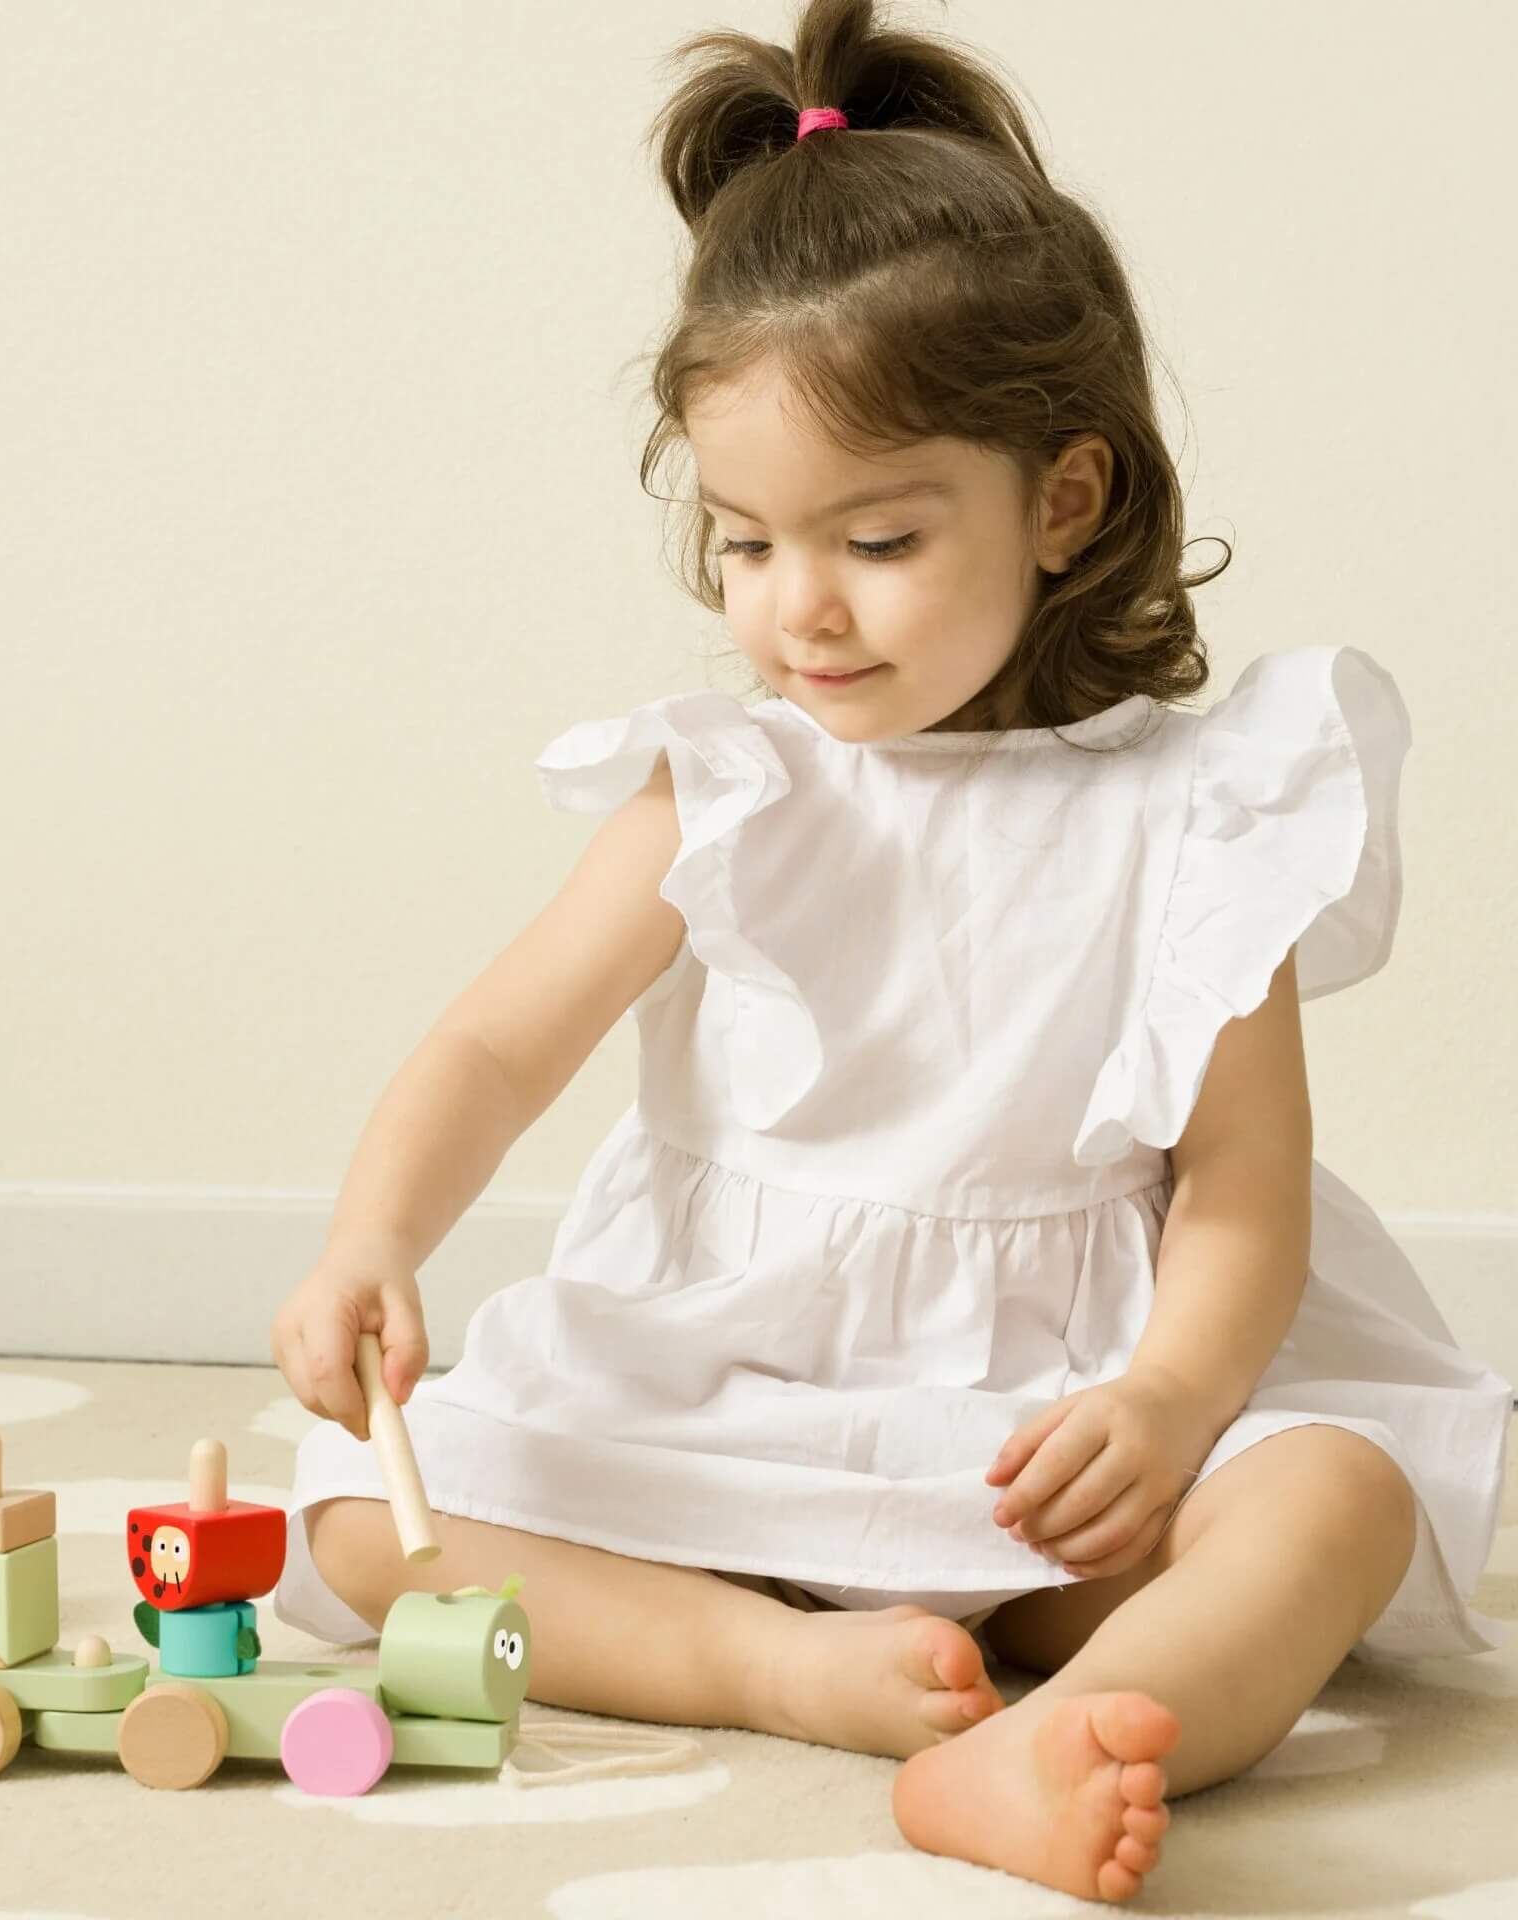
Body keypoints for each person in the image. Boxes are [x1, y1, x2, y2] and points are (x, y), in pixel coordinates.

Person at [267, 0, 1511, 1902]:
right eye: (750, 544)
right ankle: (789, 1671)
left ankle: (1038, 1736)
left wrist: (1172, 1405)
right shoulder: (723, 791)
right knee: (363, 1519)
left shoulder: (1198, 815)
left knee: (1333, 1497)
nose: (800, 610)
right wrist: (376, 1237)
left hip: (1054, 1438)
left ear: (1063, 502)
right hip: (722, 1414)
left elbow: (1241, 1187)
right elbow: (493, 1050)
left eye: (878, 538)